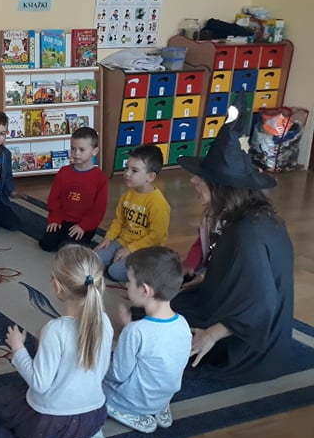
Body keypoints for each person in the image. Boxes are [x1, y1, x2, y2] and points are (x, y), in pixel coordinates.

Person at [173, 105, 294, 384]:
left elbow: (263, 302)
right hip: (236, 310)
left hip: (251, 340)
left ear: (221, 186)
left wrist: (211, 334)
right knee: (162, 308)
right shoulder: (244, 216)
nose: (193, 180)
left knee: (164, 331)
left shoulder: (248, 231)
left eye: (201, 177)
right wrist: (205, 280)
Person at [0, 245, 114, 438]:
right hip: (93, 414)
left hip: (51, 421)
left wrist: (18, 348)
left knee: (2, 399)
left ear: (58, 287)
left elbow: (39, 384)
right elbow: (101, 370)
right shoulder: (104, 322)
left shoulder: (55, 330)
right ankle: (88, 432)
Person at [103, 247, 191, 433]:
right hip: (163, 396)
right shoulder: (183, 323)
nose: (126, 285)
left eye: (129, 281)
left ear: (144, 290)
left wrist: (123, 332)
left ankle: (124, 410)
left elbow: (118, 374)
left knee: (91, 377)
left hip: (131, 400)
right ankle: (157, 405)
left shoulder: (135, 331)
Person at [93, 144, 170, 282]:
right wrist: (108, 238)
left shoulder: (158, 204)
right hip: (123, 241)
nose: (127, 173)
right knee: (94, 258)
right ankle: (116, 259)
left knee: (115, 272)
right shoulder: (127, 194)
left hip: (146, 250)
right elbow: (119, 221)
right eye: (126, 168)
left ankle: (150, 267)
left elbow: (156, 237)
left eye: (134, 170)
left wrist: (130, 249)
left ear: (150, 177)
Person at [40, 127, 108, 252]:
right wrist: (55, 219)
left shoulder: (100, 178)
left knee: (70, 250)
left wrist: (83, 226)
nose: (76, 153)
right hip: (63, 220)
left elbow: (98, 209)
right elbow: (54, 199)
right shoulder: (63, 172)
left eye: (82, 150)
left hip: (84, 224)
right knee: (47, 244)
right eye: (73, 148)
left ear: (94, 151)